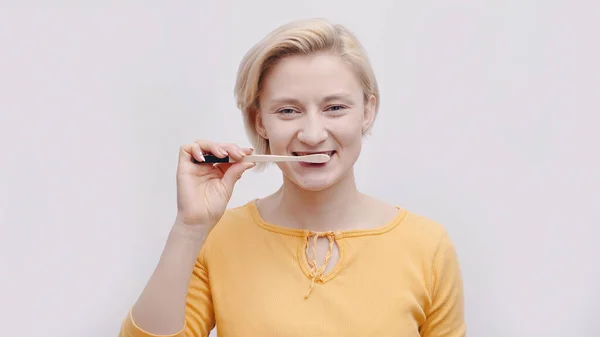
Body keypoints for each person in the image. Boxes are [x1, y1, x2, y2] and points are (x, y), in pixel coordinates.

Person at [118, 18, 466, 337]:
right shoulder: (218, 239)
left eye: (335, 108)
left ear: (368, 110)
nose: (313, 134)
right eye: (288, 110)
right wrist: (190, 227)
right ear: (259, 122)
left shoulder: (428, 247)